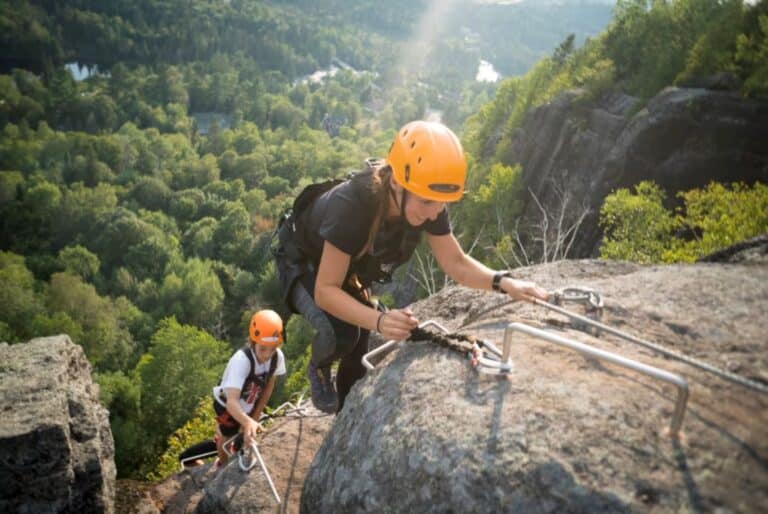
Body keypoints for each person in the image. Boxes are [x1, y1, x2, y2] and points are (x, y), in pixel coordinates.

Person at [274, 120, 549, 414]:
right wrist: (379, 319)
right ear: (396, 182)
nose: (435, 212)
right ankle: (319, 366)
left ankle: (346, 410)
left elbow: (455, 262)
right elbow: (326, 291)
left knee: (363, 339)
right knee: (343, 333)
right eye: (428, 202)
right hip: (304, 263)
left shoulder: (426, 196)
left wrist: (505, 283)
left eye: (442, 204)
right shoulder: (353, 205)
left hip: (345, 265)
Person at [211, 309, 286, 467]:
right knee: (226, 436)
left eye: (272, 348)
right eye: (263, 348)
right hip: (227, 404)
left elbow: (268, 385)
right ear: (253, 341)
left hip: (249, 401)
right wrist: (247, 421)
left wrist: (255, 415)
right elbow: (232, 402)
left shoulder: (277, 357)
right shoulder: (242, 360)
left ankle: (237, 445)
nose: (267, 354)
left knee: (246, 433)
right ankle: (222, 464)